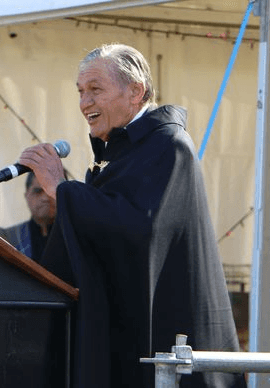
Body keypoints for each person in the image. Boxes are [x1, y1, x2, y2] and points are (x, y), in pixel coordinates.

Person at [18, 43, 246, 388]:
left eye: (95, 90)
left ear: (135, 91)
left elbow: (141, 228)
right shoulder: (118, 152)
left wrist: (63, 189)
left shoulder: (169, 146)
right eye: (80, 92)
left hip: (165, 342)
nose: (84, 103)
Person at [0, 172, 58, 263]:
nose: (45, 198)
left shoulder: (78, 235)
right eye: (38, 191)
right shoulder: (7, 238)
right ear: (27, 196)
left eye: (52, 191)